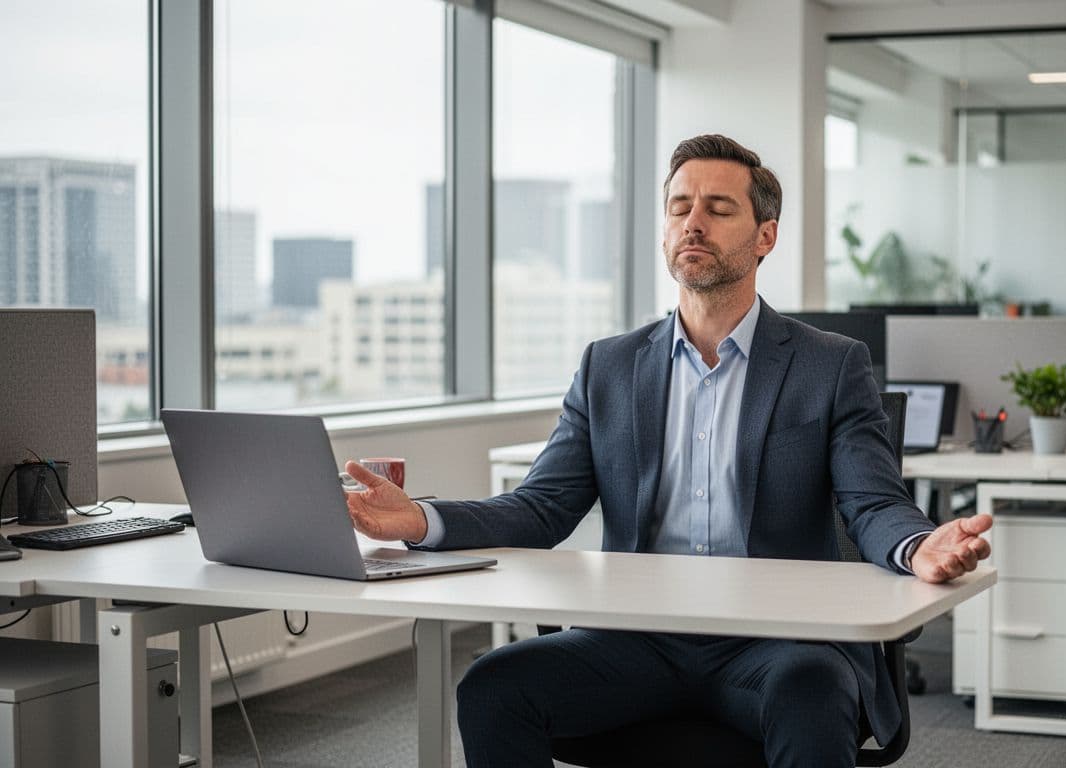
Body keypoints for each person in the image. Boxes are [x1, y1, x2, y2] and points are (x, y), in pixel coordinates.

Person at [345, 134, 992, 768]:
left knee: (812, 691)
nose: (694, 222)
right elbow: (541, 507)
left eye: (719, 207)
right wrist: (421, 521)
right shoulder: (611, 366)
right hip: (638, 638)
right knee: (494, 687)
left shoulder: (829, 365)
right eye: (680, 207)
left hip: (777, 640)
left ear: (765, 236)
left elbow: (871, 501)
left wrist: (917, 545)